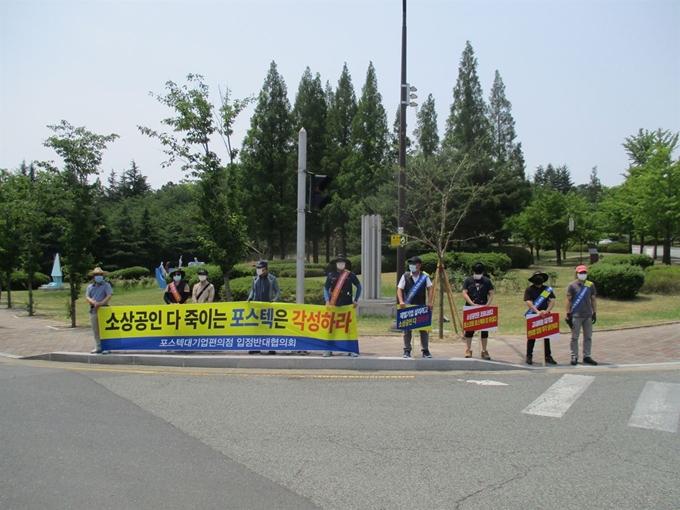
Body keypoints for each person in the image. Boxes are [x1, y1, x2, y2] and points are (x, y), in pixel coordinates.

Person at [323, 254, 361, 357]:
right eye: (339, 261)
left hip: (347, 305)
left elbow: (359, 286)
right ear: (335, 264)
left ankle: (351, 350)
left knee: (349, 328)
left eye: (342, 261)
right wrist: (327, 300)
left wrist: (356, 299)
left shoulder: (350, 275)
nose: (340, 263)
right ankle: (329, 349)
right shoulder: (331, 275)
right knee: (331, 328)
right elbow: (326, 288)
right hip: (334, 306)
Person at [397, 256, 435, 358]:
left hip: (421, 305)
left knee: (423, 329)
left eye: (414, 264)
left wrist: (430, 301)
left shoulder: (424, 277)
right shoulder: (405, 276)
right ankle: (407, 350)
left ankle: (425, 350)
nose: (412, 266)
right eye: (410, 264)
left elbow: (430, 288)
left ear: (419, 266)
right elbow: (399, 289)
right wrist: (401, 301)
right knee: (407, 329)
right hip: (408, 305)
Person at [566, 264, 598, 366]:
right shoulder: (572, 285)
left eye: (584, 272)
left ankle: (587, 356)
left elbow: (593, 299)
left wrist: (594, 312)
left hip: (587, 315)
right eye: (581, 273)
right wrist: (568, 314)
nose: (583, 274)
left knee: (588, 336)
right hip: (576, 315)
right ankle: (574, 356)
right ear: (577, 273)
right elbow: (568, 300)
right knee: (574, 337)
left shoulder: (590, 285)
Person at [462, 262, 494, 360]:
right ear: (473, 272)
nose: (478, 274)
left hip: (483, 308)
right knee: (469, 331)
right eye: (476, 272)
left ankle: (484, 351)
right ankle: (468, 349)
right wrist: (472, 303)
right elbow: (464, 293)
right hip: (470, 308)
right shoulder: (468, 280)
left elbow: (491, 294)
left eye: (480, 272)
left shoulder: (487, 281)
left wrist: (487, 305)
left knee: (484, 332)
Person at [247, 260, 280, 355]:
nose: (258, 270)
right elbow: (252, 291)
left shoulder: (272, 278)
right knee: (257, 328)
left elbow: (277, 291)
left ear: (265, 269)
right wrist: (250, 297)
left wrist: (275, 299)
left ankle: (271, 348)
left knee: (268, 327)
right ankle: (256, 347)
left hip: (268, 307)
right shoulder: (255, 279)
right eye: (257, 268)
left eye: (260, 268)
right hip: (256, 308)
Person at [524, 270, 557, 365]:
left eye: (540, 277)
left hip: (545, 314)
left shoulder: (547, 289)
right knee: (532, 337)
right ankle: (529, 355)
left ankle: (548, 356)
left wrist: (546, 311)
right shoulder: (529, 289)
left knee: (547, 336)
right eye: (536, 277)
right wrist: (537, 311)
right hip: (533, 314)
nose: (539, 279)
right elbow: (528, 302)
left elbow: (552, 300)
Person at [85, 267, 113, 354]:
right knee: (95, 329)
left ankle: (106, 347)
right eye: (97, 275)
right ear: (93, 276)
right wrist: (94, 303)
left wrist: (101, 303)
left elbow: (109, 295)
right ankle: (98, 346)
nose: (99, 276)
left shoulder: (106, 285)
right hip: (94, 309)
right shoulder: (90, 286)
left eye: (100, 275)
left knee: (105, 329)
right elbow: (87, 297)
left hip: (104, 309)